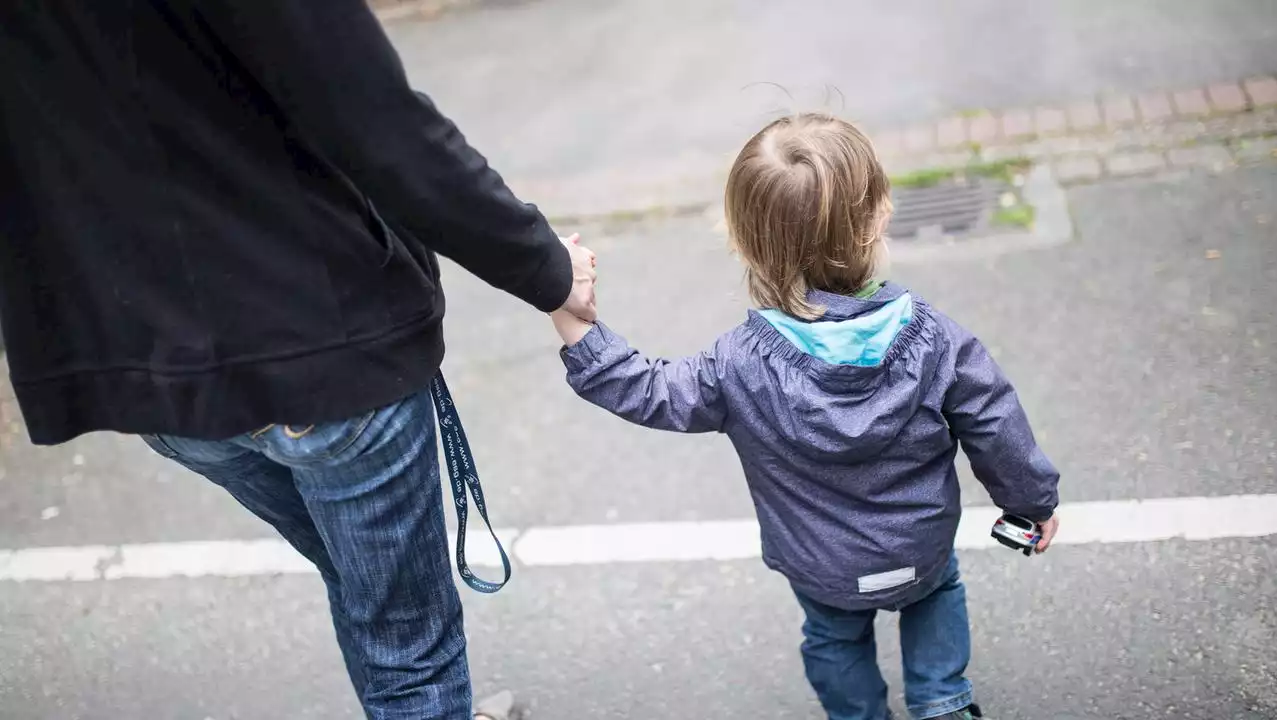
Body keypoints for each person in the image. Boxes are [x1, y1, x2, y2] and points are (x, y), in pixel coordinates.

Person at [0, 2, 597, 718]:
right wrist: (546, 268)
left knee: (364, 587)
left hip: (150, 368)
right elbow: (380, 123)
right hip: (318, 339)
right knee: (405, 641)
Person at [549, 113, 1061, 720]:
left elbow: (650, 390)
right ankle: (942, 699)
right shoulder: (938, 341)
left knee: (834, 637)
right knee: (936, 595)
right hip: (920, 545)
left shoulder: (735, 365)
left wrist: (570, 315)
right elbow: (995, 423)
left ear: (742, 241)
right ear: (879, 219)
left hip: (819, 564)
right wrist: (1031, 503)